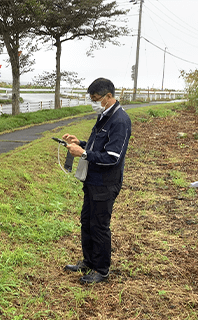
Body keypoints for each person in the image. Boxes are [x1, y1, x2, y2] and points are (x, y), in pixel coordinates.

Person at [62, 78, 132, 284]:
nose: (94, 102)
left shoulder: (120, 120)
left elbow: (112, 157)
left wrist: (83, 153)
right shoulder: (104, 115)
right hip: (92, 180)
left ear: (108, 96)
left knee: (100, 225)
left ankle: (101, 270)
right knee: (87, 222)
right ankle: (89, 261)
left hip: (105, 183)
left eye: (96, 99)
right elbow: (98, 146)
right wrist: (80, 143)